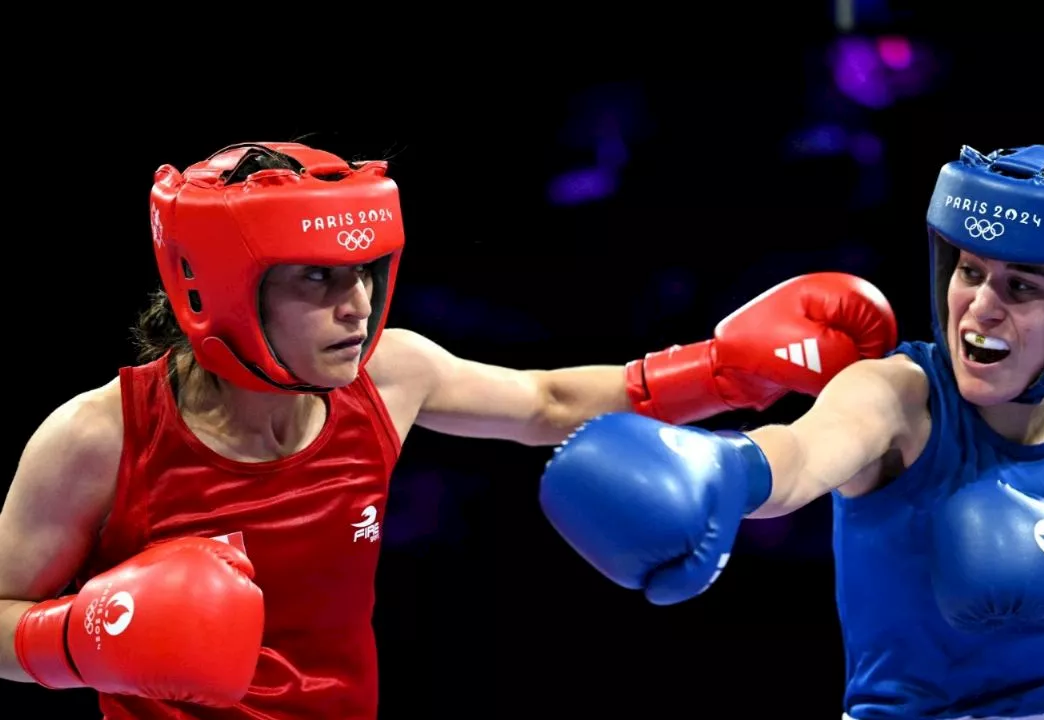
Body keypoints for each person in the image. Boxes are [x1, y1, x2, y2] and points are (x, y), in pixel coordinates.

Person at [0, 141, 900, 718]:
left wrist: (723, 371)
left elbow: (548, 402)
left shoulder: (391, 374)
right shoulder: (100, 437)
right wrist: (83, 639)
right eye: (315, 279)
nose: (356, 307)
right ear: (227, 290)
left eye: (364, 273)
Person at [538, 144, 1044, 718]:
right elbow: (801, 454)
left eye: (1021, 286)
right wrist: (726, 470)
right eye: (969, 270)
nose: (980, 307)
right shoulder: (900, 394)